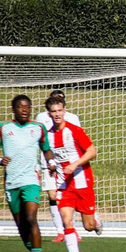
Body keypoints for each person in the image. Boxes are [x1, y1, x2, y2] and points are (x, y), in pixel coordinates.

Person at [0, 94, 49, 252]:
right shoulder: (3, 128)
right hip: (12, 182)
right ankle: (32, 251)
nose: (25, 110)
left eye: (28, 107)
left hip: (31, 180)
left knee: (31, 218)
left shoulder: (38, 128)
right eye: (21, 107)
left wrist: (52, 164)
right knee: (21, 225)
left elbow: (47, 150)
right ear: (13, 109)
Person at [43, 95, 100, 252]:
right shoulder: (47, 136)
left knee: (88, 226)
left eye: (60, 110)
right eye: (54, 111)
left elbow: (92, 151)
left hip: (82, 181)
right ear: (49, 114)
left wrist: (75, 165)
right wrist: (51, 173)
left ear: (65, 111)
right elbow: (48, 157)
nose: (57, 114)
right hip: (63, 185)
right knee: (67, 221)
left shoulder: (74, 131)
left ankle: (96, 222)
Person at [36, 89, 83, 242]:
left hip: (68, 165)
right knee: (53, 196)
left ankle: (71, 228)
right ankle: (60, 230)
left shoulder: (73, 118)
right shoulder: (41, 117)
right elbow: (39, 139)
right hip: (47, 163)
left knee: (70, 197)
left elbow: (78, 140)